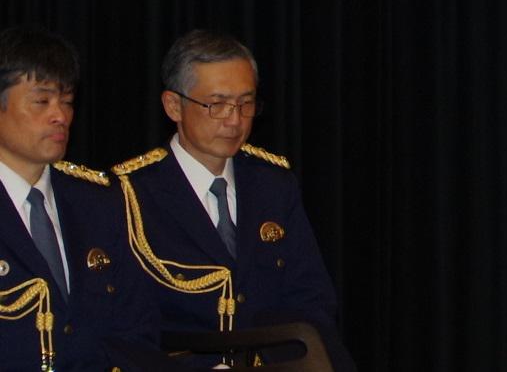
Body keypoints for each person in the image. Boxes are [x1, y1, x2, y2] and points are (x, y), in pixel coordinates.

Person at [113, 31, 353, 371]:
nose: (235, 120)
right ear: (173, 106)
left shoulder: (272, 183)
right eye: (217, 104)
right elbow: (126, 327)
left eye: (246, 103)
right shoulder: (130, 194)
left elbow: (311, 299)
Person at [0, 27, 159, 372]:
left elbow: (136, 327)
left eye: (67, 102)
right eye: (41, 101)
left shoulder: (98, 203)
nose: (60, 116)